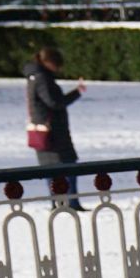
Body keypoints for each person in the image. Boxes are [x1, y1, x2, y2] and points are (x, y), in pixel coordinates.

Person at [25, 47, 84, 212]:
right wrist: (76, 93)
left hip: (43, 130)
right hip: (53, 132)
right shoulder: (42, 78)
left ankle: (58, 202)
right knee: (67, 166)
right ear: (49, 63)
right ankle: (70, 203)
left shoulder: (34, 76)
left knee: (52, 169)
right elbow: (54, 102)